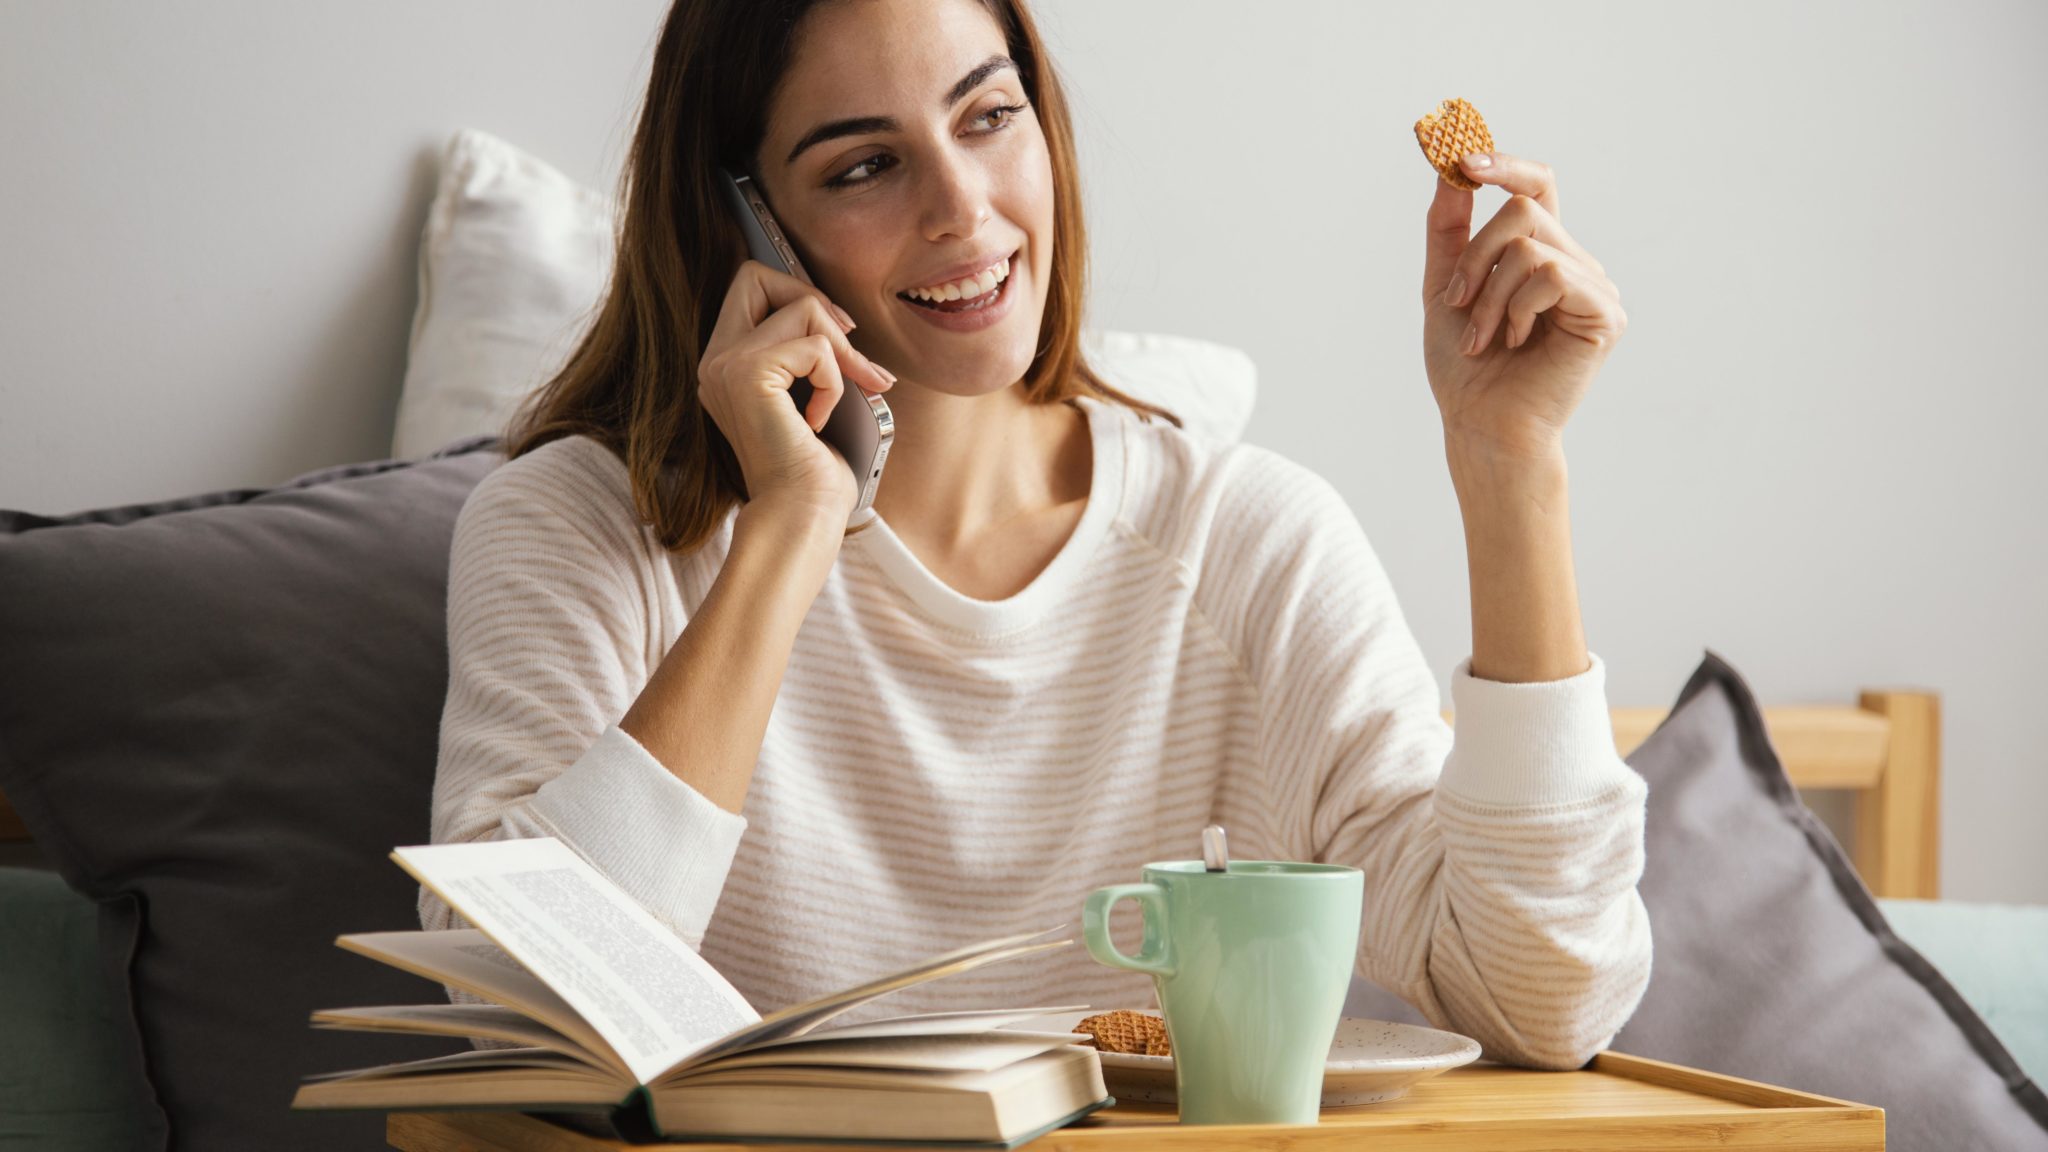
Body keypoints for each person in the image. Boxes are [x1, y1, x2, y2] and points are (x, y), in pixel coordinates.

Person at [421, 0, 1647, 1071]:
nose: (961, 208)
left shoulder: (1242, 544)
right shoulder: (576, 531)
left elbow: (1544, 996)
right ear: (746, 222)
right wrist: (793, 529)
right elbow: (525, 1023)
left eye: (987, 117)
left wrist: (1507, 467)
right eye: (861, 168)